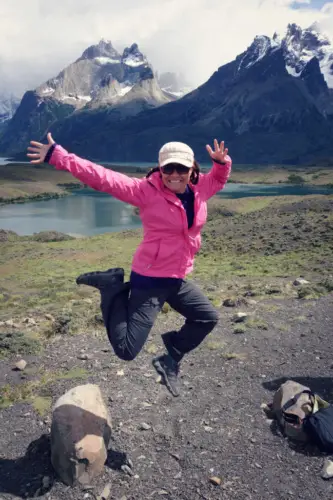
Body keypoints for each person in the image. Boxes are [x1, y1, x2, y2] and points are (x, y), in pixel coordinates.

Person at [27, 134, 232, 397]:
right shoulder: (144, 192)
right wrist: (58, 155)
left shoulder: (200, 189)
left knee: (206, 317)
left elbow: (218, 179)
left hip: (177, 278)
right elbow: (101, 177)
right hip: (150, 280)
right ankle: (111, 287)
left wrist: (222, 163)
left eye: (181, 168)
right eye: (168, 168)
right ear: (160, 169)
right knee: (126, 350)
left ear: (192, 168)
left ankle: (169, 359)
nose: (174, 174)